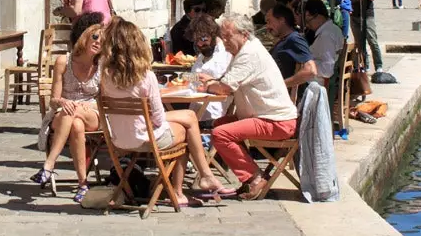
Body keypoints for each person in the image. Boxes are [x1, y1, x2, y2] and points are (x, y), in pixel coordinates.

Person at [99, 17, 231, 201]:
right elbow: (158, 120)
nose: (200, 43)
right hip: (147, 139)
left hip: (119, 140)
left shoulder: (104, 77)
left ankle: (200, 179)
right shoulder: (146, 77)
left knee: (189, 116)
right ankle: (183, 188)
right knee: (186, 128)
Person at [198, 14, 300, 201]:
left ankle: (255, 177)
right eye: (223, 36)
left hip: (275, 121)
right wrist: (214, 83)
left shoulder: (249, 54)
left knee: (221, 133)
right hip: (262, 116)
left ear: (244, 34)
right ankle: (240, 174)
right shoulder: (243, 51)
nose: (225, 41)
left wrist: (208, 83)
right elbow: (228, 82)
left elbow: (226, 87)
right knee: (213, 124)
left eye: (228, 36)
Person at [33, 14, 104, 202]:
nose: (99, 42)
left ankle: (49, 165)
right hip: (65, 112)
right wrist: (63, 101)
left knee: (74, 114)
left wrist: (78, 106)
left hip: (92, 112)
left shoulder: (103, 65)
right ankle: (83, 184)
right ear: (85, 37)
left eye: (103, 39)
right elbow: (54, 100)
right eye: (95, 37)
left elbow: (105, 98)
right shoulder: (63, 62)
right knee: (75, 124)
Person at [187, 14, 232, 121]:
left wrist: (207, 81)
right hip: (194, 112)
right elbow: (193, 78)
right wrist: (184, 77)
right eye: (196, 40)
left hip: (213, 114)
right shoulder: (202, 56)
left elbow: (227, 88)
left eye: (203, 38)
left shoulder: (225, 55)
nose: (199, 44)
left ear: (213, 35)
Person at [264, 4, 316, 95]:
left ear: (281, 20)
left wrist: (282, 85)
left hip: (278, 96)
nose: (267, 27)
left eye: (269, 21)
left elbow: (311, 70)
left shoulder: (295, 39)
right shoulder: (285, 39)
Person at [302, 0, 345, 87]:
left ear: (318, 16)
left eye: (308, 21)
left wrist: (306, 64)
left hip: (317, 84)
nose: (307, 25)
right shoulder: (333, 29)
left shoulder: (326, 35)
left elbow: (327, 70)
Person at [351, 0, 384, 75]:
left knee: (372, 41)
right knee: (359, 43)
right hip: (354, 15)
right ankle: (365, 65)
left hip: (367, 15)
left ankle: (378, 66)